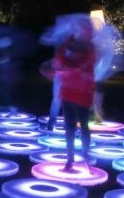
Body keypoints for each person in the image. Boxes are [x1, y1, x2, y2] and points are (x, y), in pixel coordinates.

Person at [41, 35, 96, 172]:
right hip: (68, 97)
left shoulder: (86, 61)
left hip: (83, 98)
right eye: (68, 51)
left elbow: (90, 61)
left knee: (83, 126)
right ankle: (70, 158)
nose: (69, 53)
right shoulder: (64, 61)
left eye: (72, 51)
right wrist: (68, 39)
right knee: (70, 127)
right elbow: (55, 61)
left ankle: (85, 155)